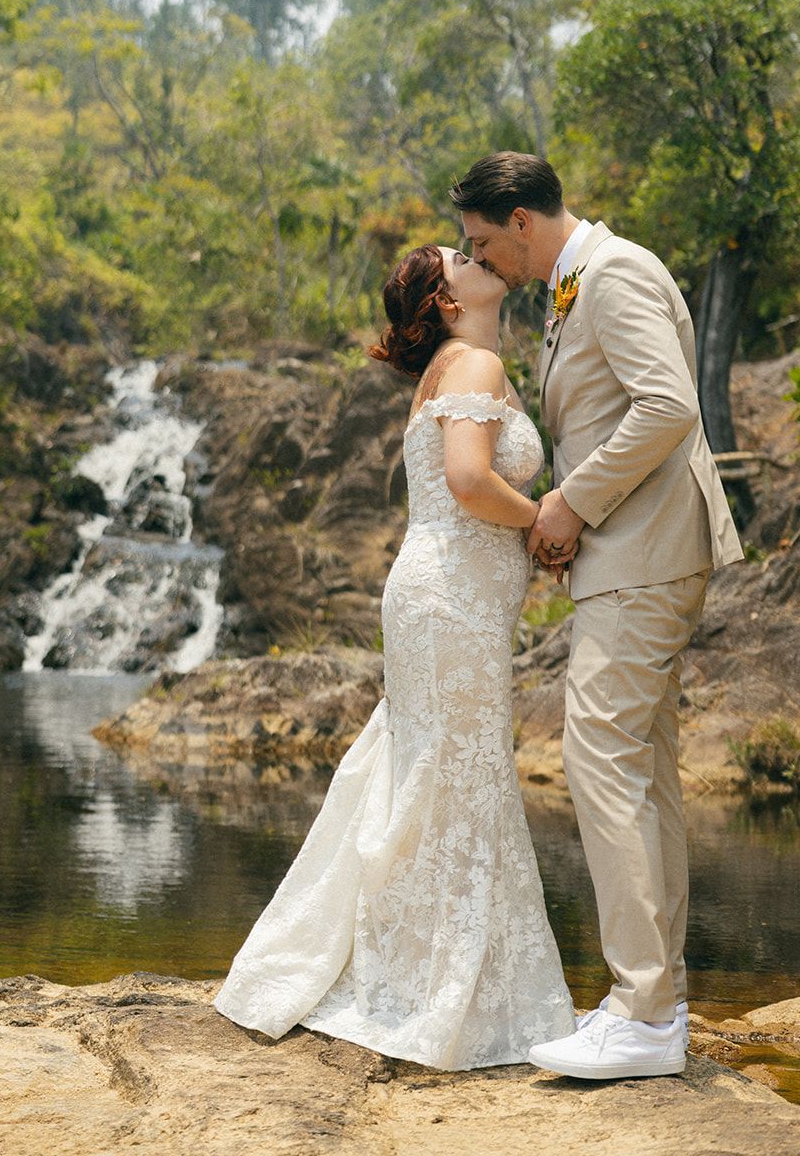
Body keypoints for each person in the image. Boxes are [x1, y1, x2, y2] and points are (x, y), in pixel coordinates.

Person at [213, 242, 576, 1070]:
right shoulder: (474, 364)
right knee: (454, 769)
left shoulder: (460, 363)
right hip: (449, 596)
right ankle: (436, 986)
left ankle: (413, 971)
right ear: (448, 299)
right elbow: (468, 482)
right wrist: (547, 519)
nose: (480, 252)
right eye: (464, 255)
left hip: (445, 594)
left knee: (434, 770)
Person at [451, 152, 744, 1081]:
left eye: (483, 241)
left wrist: (571, 502)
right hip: (640, 552)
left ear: (523, 222)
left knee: (599, 756)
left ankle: (645, 1010)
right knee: (644, 767)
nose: (481, 257)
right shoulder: (577, 282)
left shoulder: (612, 274)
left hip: (646, 549)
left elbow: (667, 405)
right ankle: (655, 1005)